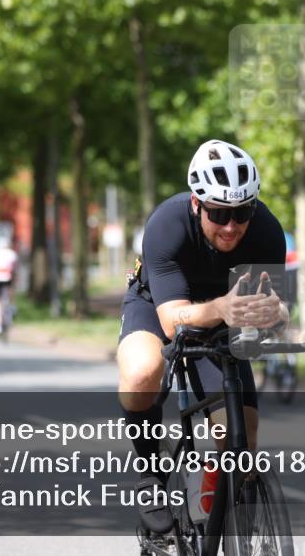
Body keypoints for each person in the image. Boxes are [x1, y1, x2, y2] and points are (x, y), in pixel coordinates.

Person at [118, 139, 289, 534]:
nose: (231, 226)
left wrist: (276, 316)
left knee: (238, 439)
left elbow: (276, 308)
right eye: (218, 213)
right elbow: (170, 321)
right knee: (143, 372)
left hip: (225, 313)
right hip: (158, 306)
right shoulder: (167, 224)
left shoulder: (266, 232)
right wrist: (219, 309)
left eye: (242, 212)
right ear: (197, 204)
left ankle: (217, 512)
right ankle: (151, 478)